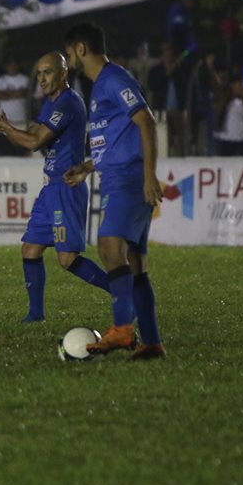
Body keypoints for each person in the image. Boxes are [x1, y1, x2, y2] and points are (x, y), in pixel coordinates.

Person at [0, 51, 111, 322]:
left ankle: (123, 291)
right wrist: (6, 127)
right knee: (30, 249)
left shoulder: (68, 103)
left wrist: (3, 127)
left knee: (68, 259)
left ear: (63, 74)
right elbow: (31, 135)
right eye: (39, 73)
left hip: (65, 187)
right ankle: (35, 315)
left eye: (48, 72)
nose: (42, 78)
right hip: (50, 188)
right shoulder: (51, 103)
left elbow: (33, 143)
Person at [61, 22, 166, 360]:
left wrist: (149, 175)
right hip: (116, 174)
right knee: (135, 261)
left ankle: (122, 329)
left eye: (68, 53)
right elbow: (116, 138)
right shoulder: (101, 86)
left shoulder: (113, 79)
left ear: (80, 49)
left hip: (128, 178)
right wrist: (88, 166)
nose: (68, 60)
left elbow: (146, 121)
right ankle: (151, 342)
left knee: (109, 246)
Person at [214, 69, 243, 156]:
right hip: (226, 140)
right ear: (232, 85)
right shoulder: (225, 98)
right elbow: (218, 97)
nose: (242, 86)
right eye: (239, 84)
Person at [0, 58, 30, 128]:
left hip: (21, 118)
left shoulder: (25, 79)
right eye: (10, 65)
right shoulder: (0, 79)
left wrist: (5, 93)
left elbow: (22, 94)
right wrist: (16, 93)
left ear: (18, 66)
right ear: (6, 67)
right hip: (4, 119)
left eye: (14, 65)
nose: (12, 67)